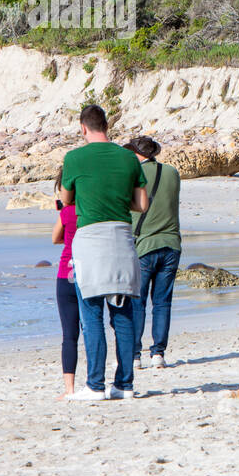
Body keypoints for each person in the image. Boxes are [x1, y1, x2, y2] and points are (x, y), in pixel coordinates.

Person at [59, 105, 148, 401]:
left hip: (91, 241)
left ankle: (95, 385)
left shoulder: (74, 158)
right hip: (122, 238)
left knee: (92, 314)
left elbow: (66, 199)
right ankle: (124, 384)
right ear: (107, 126)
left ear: (83, 128)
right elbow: (141, 204)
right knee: (122, 314)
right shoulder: (128, 158)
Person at [124, 136, 182, 370]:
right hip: (171, 244)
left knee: (137, 303)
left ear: (137, 154)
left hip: (144, 245)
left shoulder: (133, 175)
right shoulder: (172, 173)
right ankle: (158, 353)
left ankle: (135, 355)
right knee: (162, 302)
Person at [52, 167, 80, 399]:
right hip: (90, 273)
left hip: (66, 273)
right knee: (92, 328)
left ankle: (69, 388)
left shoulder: (67, 213)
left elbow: (55, 238)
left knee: (69, 335)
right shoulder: (92, 212)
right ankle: (95, 380)